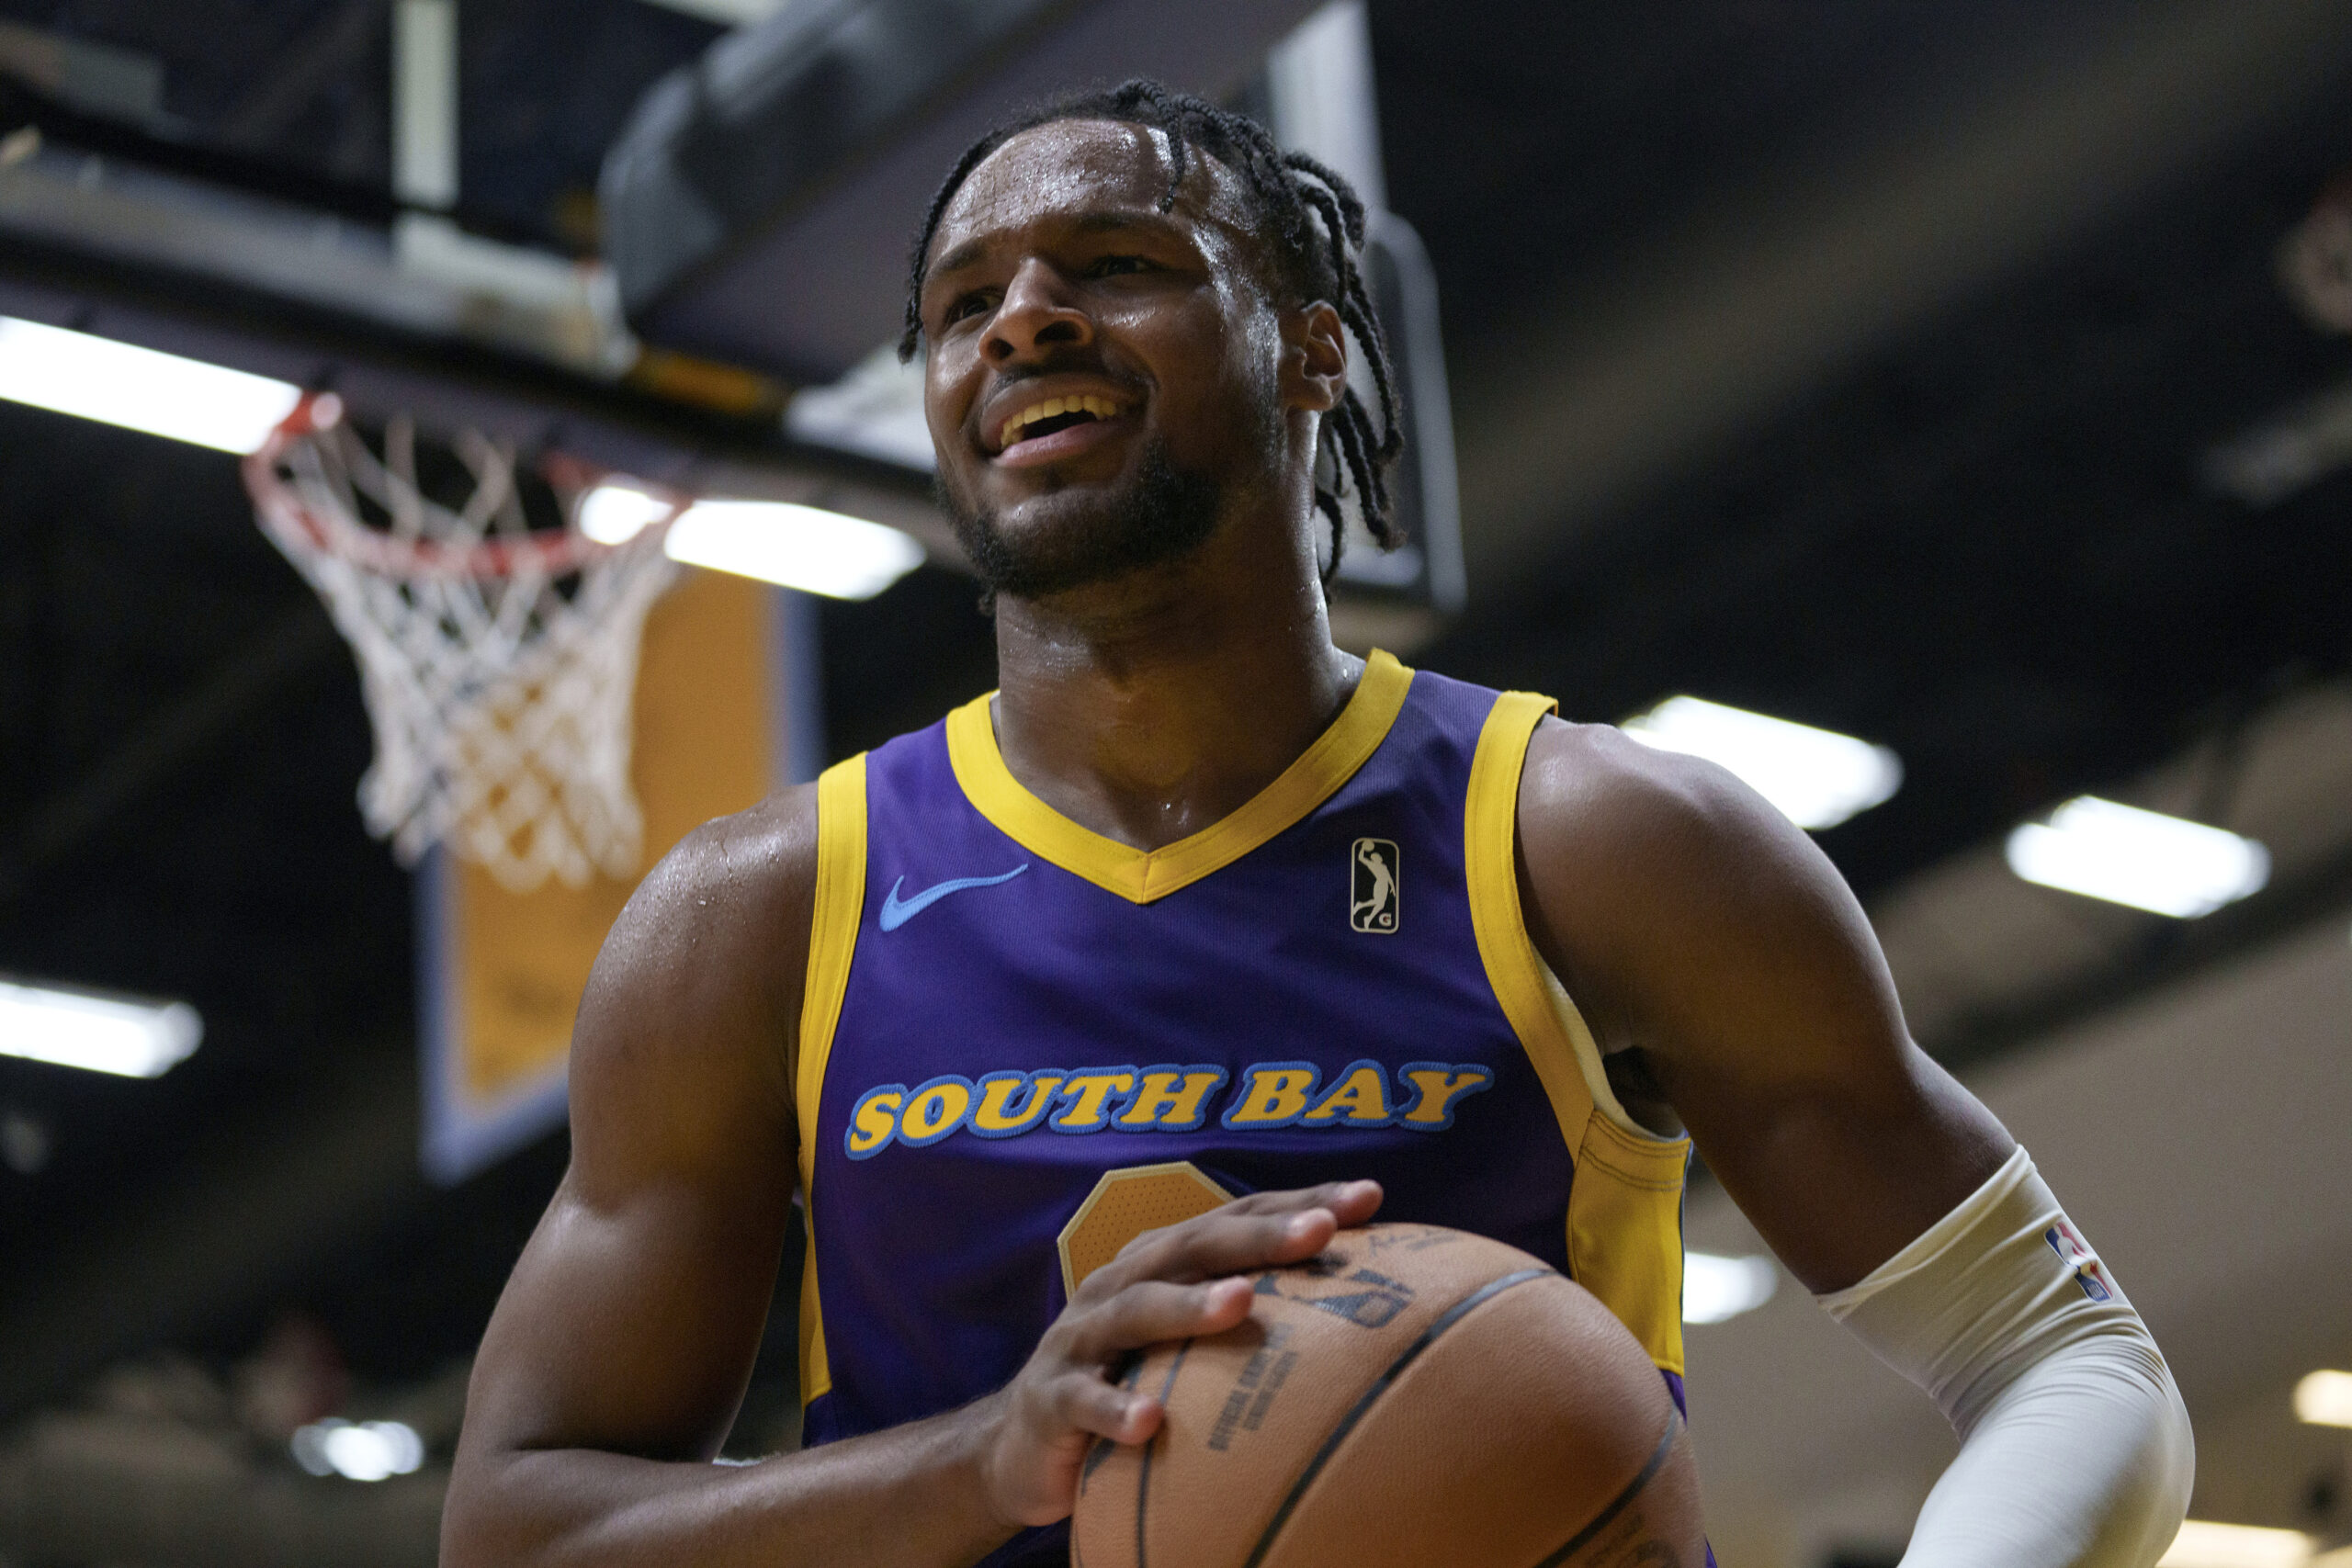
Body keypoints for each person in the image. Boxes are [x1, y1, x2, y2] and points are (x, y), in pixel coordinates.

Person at [443, 82, 2192, 1568]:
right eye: (967, 302)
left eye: (1115, 266)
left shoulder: (1593, 842)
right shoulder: (762, 913)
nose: (1024, 317)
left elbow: (2063, 1353)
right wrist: (981, 1462)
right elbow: (519, 1527)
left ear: (1311, 346)